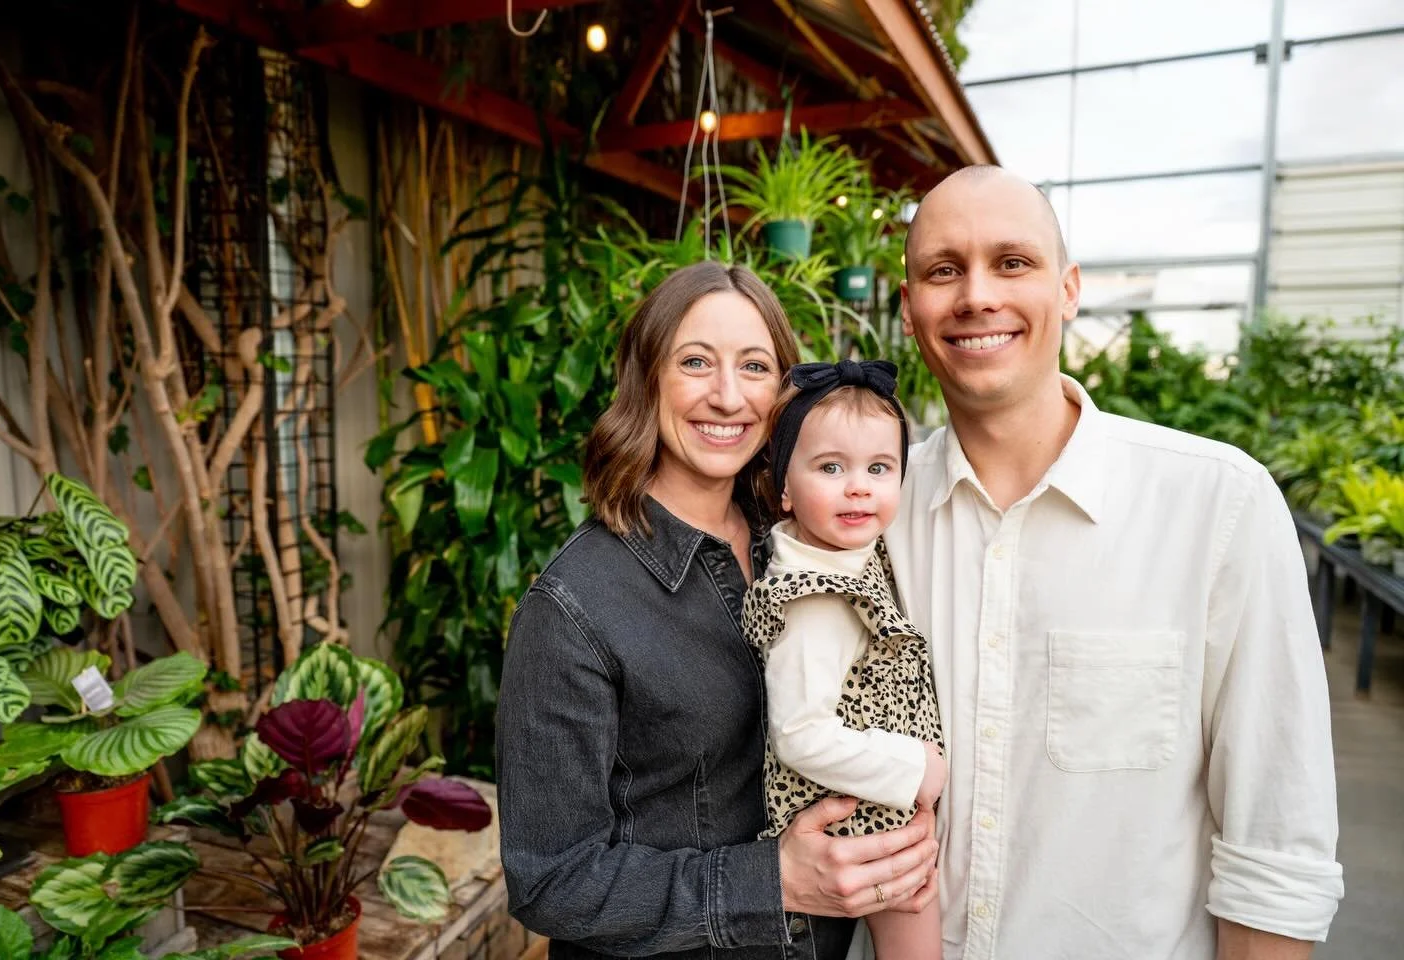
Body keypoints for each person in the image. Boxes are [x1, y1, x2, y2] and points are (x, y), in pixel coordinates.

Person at [883, 164, 1344, 959]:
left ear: (1068, 289)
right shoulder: (869, 518)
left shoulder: (1216, 506)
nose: (976, 296)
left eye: (1013, 263)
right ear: (909, 309)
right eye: (943, 270)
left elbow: (1276, 847)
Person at [496, 261, 939, 960]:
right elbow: (550, 879)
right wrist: (773, 881)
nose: (728, 396)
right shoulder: (574, 606)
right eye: (695, 362)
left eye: (755, 366)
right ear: (648, 380)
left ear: (786, 398)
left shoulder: (810, 544)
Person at [743, 359, 947, 960]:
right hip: (865, 826)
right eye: (831, 468)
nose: (858, 486)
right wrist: (918, 770)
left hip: (879, 805)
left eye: (879, 468)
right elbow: (800, 735)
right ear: (784, 486)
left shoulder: (843, 551)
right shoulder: (814, 600)